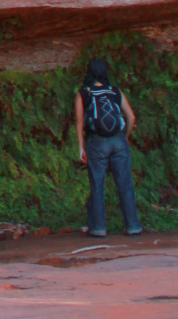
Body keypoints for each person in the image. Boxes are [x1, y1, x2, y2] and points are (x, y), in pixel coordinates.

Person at [74, 56, 142, 237]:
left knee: (97, 184)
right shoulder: (115, 91)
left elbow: (79, 121)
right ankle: (133, 226)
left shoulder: (84, 93)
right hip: (118, 140)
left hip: (97, 142)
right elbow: (131, 117)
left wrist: (81, 147)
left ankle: (98, 228)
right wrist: (125, 138)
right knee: (125, 183)